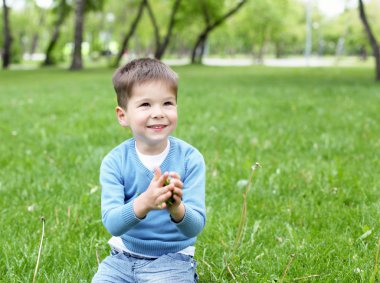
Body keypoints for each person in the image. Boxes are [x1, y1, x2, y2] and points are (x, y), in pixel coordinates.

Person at [92, 58, 206, 283]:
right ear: (123, 115)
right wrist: (145, 201)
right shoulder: (115, 162)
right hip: (122, 258)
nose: (158, 113)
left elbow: (194, 227)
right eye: (145, 105)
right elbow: (112, 223)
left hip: (172, 260)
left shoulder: (190, 159)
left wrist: (176, 208)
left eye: (167, 103)